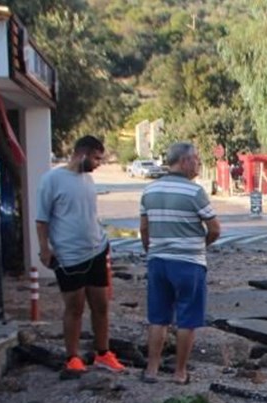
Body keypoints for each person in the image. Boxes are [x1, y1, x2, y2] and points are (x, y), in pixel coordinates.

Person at [36, 135, 126, 374]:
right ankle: (72, 357)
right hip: (68, 256)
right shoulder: (52, 180)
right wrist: (44, 249)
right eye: (97, 158)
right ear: (83, 153)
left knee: (101, 305)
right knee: (74, 307)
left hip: (96, 251)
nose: (99, 164)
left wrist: (104, 244)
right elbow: (42, 219)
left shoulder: (88, 180)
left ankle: (103, 353)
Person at [139, 142, 222, 384]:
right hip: (188, 263)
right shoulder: (194, 192)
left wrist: (152, 250)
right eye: (196, 159)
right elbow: (215, 229)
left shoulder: (149, 190)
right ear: (184, 161)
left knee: (158, 317)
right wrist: (200, 245)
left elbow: (144, 228)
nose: (198, 163)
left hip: (158, 262)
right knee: (187, 319)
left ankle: (152, 369)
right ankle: (179, 372)